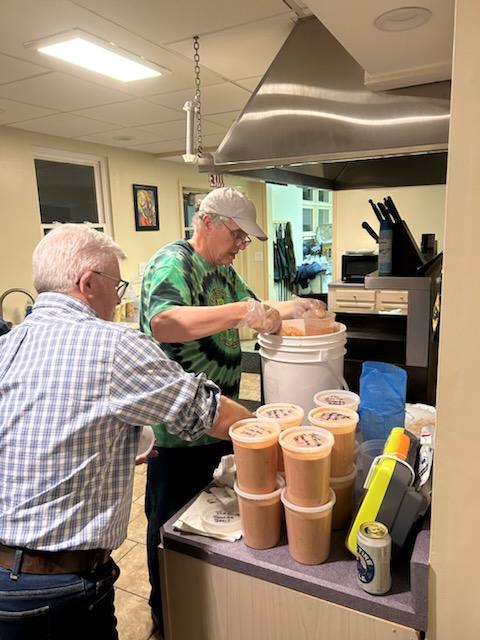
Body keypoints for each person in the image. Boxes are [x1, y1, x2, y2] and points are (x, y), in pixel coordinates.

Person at [0, 224, 251, 640]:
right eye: (116, 286)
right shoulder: (114, 344)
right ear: (87, 283)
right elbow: (209, 410)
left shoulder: (7, 347)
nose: (119, 300)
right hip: (58, 590)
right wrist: (273, 431)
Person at [140, 186, 324, 632]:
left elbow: (257, 310)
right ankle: (166, 612)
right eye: (238, 236)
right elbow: (165, 323)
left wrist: (295, 307)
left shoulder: (224, 274)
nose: (242, 246)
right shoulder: (175, 262)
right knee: (169, 525)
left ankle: (202, 605)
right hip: (177, 429)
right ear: (208, 222)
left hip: (220, 423)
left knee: (207, 522)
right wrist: (241, 312)